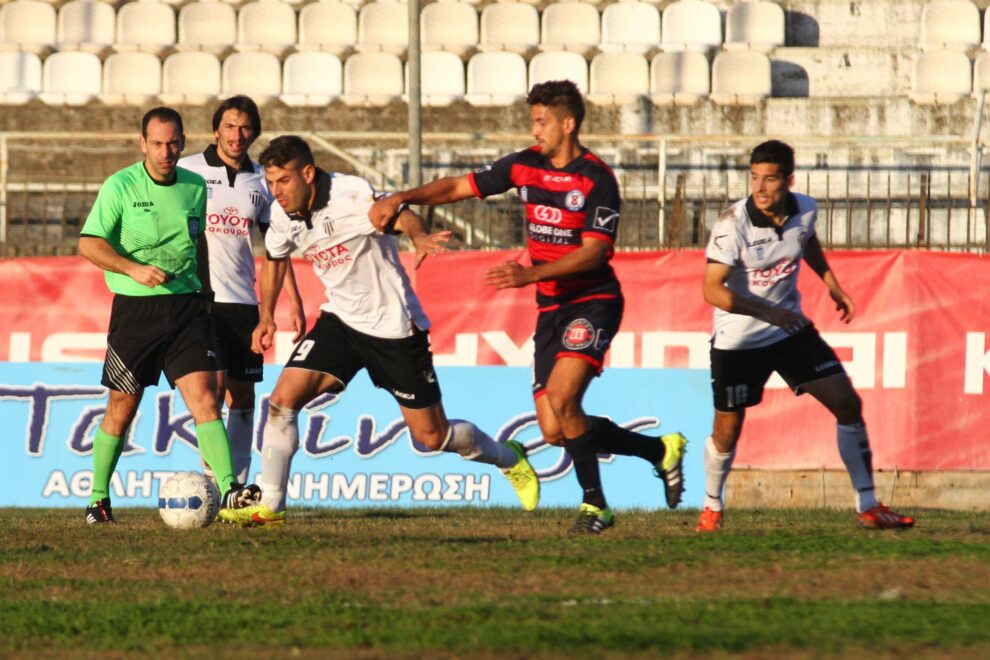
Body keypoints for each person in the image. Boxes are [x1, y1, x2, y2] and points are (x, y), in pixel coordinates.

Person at [369, 80, 687, 534]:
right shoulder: (524, 165)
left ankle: (595, 505)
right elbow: (461, 186)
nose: (535, 130)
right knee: (556, 428)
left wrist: (529, 274)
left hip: (592, 300)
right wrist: (404, 197)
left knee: (563, 398)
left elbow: (596, 251)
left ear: (568, 123)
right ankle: (659, 451)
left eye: (542, 121)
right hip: (551, 306)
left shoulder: (597, 178)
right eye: (533, 121)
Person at [219, 135, 540, 527]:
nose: (276, 191)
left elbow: (399, 212)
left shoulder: (350, 194)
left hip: (393, 329)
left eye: (283, 181)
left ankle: (509, 457)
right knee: (282, 401)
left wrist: (418, 235)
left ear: (307, 172)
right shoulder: (283, 216)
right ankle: (270, 505)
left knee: (432, 436)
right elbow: (275, 257)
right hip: (340, 322)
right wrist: (267, 314)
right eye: (270, 183)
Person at [699, 139, 915, 532]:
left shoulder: (806, 209)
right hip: (739, 342)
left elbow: (806, 241)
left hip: (790, 332)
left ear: (788, 180)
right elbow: (712, 289)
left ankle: (868, 505)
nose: (760, 189)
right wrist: (767, 311)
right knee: (727, 432)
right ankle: (712, 506)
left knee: (848, 404)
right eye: (754, 179)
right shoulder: (733, 224)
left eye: (770, 180)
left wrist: (832, 283)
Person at [78, 107, 260, 525]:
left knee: (207, 401)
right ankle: (98, 499)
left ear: (182, 141)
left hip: (188, 310)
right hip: (136, 312)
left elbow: (197, 245)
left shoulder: (195, 186)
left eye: (173, 143)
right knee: (121, 409)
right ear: (143, 143)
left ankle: (230, 489)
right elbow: (89, 243)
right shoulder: (120, 185)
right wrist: (132, 268)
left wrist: (204, 295)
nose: (166, 151)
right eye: (157, 143)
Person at [178, 95, 305, 485]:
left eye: (245, 127)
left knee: (244, 399)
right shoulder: (188, 171)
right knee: (210, 395)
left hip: (244, 304)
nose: (237, 134)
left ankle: (238, 488)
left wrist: (292, 301)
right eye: (230, 126)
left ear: (255, 132)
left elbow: (277, 247)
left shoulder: (261, 182)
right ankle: (214, 483)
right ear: (216, 129)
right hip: (200, 301)